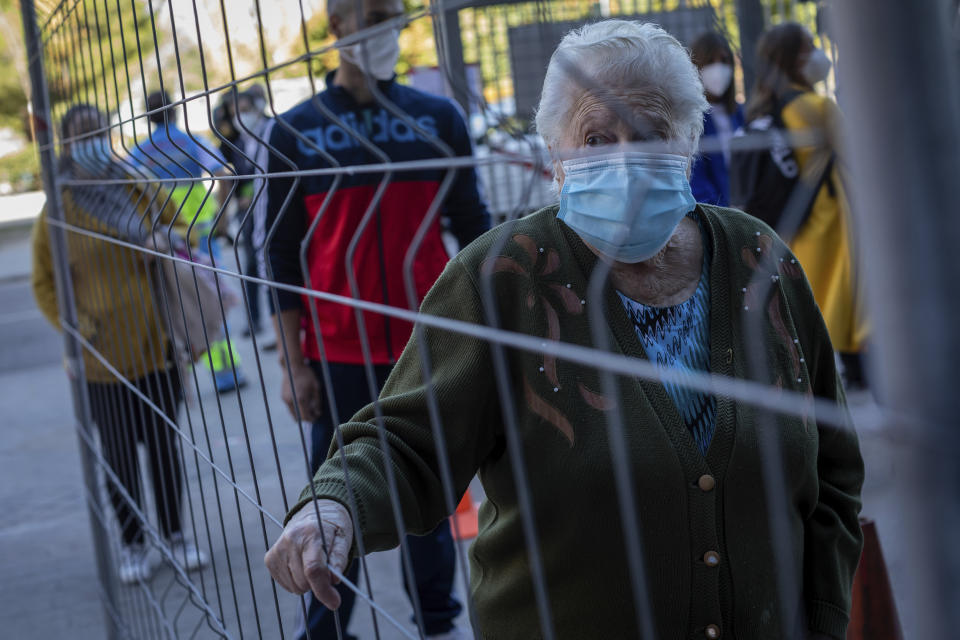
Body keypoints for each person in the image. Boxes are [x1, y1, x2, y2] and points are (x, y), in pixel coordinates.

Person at [264, 20, 864, 640]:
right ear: (555, 154)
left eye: (652, 133)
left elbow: (835, 469)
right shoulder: (502, 277)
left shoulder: (760, 260)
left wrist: (822, 617)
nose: (625, 160)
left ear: (689, 143)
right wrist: (335, 503)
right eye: (597, 137)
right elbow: (412, 437)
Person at [261, 0, 490, 637]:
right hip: (336, 352)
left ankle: (438, 622)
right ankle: (327, 627)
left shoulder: (436, 117)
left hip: (428, 343)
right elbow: (279, 254)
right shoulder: (296, 130)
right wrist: (293, 364)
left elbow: (473, 228)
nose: (390, 29)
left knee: (430, 490)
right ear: (338, 28)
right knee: (336, 494)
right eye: (377, 16)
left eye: (397, 16)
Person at [32, 104, 208, 584]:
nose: (91, 141)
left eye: (98, 131)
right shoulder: (58, 209)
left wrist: (163, 238)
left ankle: (176, 535)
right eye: (81, 135)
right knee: (119, 458)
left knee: (163, 448)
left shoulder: (138, 185)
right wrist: (77, 325)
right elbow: (45, 283)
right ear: (66, 145)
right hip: (100, 359)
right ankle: (132, 543)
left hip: (157, 346)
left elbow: (186, 231)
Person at [745, 22, 868, 388]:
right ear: (791, 60)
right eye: (807, 48)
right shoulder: (817, 106)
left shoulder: (762, 112)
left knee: (816, 304)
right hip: (835, 218)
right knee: (852, 304)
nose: (816, 54)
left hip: (797, 223)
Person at [130, 89, 249, 393]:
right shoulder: (190, 141)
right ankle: (226, 374)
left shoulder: (140, 152)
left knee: (172, 302)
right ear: (175, 111)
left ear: (147, 116)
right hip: (202, 234)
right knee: (211, 298)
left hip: (163, 238)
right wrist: (222, 218)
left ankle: (177, 374)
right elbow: (225, 173)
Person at [689, 30, 745, 206]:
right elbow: (696, 183)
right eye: (710, 62)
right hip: (718, 215)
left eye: (724, 61)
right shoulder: (690, 119)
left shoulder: (742, 114)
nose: (718, 68)